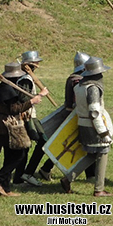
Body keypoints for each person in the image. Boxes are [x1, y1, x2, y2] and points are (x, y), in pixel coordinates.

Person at [0, 62, 48, 197]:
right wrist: (33, 101)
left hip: (3, 124)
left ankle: (6, 188)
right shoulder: (7, 89)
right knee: (19, 155)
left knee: (9, 156)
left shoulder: (4, 88)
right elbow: (14, 108)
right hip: (9, 126)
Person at [39, 52, 95, 183]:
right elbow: (78, 102)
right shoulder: (77, 80)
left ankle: (90, 174)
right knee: (83, 144)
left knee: (81, 144)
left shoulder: (74, 77)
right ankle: (91, 175)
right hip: (75, 116)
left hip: (74, 115)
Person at [66, 57, 113, 197]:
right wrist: (103, 132)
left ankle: (67, 178)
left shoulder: (79, 86)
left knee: (92, 154)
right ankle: (99, 189)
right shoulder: (92, 88)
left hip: (83, 124)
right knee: (103, 151)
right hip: (93, 126)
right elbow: (94, 112)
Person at [13, 51, 48, 187]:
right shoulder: (25, 79)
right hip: (27, 117)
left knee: (27, 147)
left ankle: (22, 176)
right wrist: (41, 94)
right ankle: (25, 174)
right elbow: (24, 100)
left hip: (29, 116)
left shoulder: (26, 77)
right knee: (40, 142)